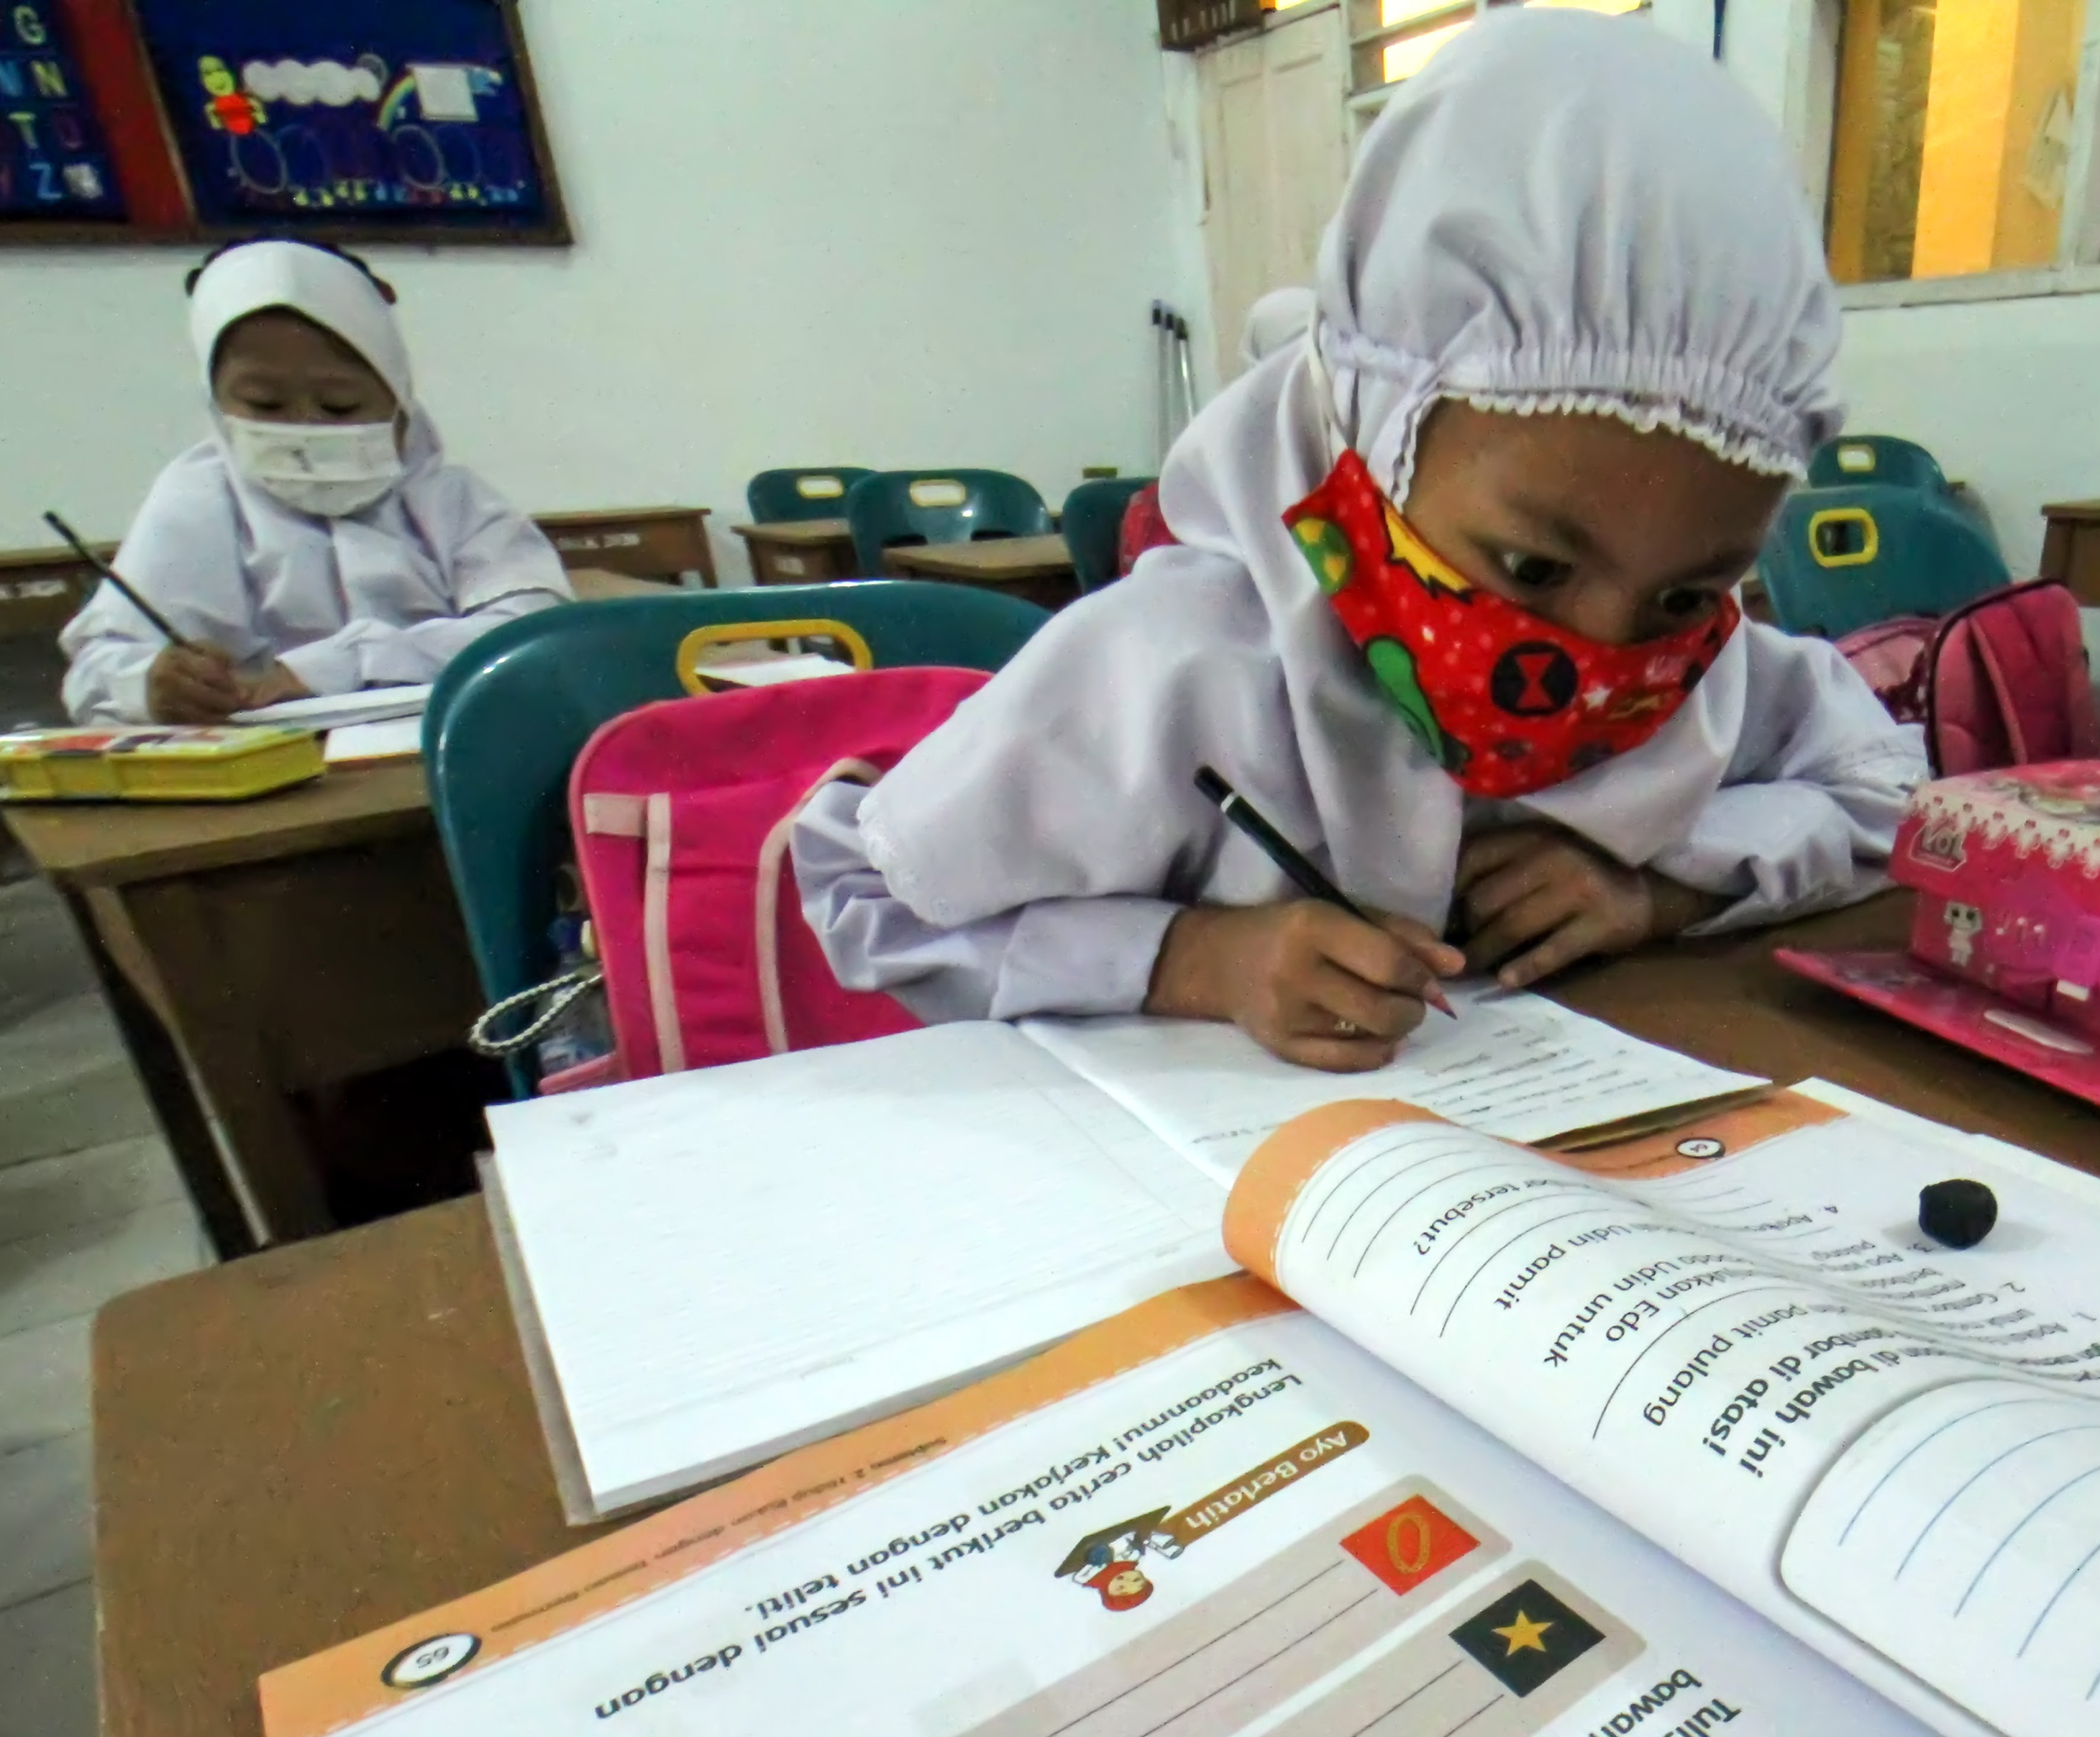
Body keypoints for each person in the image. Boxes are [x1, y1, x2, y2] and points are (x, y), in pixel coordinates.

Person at [797, 9, 1921, 1071]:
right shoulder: (1174, 664)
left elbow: (1890, 793)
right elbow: (863, 886)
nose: (1592, 663)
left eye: (1681, 598)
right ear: (1373, 437)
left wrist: (1661, 890)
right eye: (1533, 569)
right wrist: (1196, 959)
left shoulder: (1709, 672)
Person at [60, 239, 570, 728]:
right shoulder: (197, 500)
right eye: (264, 405)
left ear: (398, 398)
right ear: (218, 406)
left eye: (340, 406)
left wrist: (340, 664)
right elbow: (94, 674)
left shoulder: (452, 500)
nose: (306, 428)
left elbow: (536, 631)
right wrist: (151, 685)